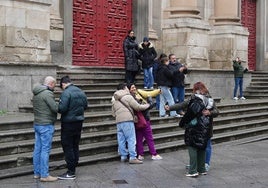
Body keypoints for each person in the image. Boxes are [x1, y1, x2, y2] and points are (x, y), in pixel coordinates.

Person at [166, 82, 219, 177]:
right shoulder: (210, 99)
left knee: (194, 147)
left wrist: (170, 108)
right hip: (206, 128)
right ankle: (202, 168)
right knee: (203, 147)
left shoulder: (195, 98)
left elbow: (183, 105)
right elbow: (216, 111)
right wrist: (210, 112)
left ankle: (195, 169)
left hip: (196, 127)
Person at [57, 76, 88, 180]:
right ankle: (74, 165)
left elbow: (62, 108)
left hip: (68, 122)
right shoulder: (81, 91)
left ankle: (70, 171)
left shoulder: (66, 93)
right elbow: (85, 105)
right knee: (75, 144)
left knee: (67, 145)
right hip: (79, 121)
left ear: (63, 84)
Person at [111, 83, 150, 164]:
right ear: (125, 88)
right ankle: (132, 157)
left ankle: (123, 156)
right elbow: (138, 107)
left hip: (119, 122)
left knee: (121, 140)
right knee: (131, 139)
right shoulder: (128, 97)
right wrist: (147, 105)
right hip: (128, 120)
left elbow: (113, 114)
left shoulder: (115, 100)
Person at [32, 76, 58, 182]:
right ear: (51, 83)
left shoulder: (36, 93)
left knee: (37, 149)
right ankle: (44, 175)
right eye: (54, 85)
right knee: (45, 150)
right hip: (46, 124)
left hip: (37, 123)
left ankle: (37, 173)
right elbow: (55, 108)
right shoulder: (47, 93)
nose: (54, 88)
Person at [127, 83, 162, 160]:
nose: (134, 89)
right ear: (128, 89)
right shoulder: (133, 98)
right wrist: (149, 104)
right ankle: (153, 154)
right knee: (149, 137)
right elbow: (141, 107)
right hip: (144, 119)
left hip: (137, 121)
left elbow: (148, 94)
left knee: (139, 138)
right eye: (132, 88)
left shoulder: (131, 96)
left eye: (134, 87)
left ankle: (140, 154)